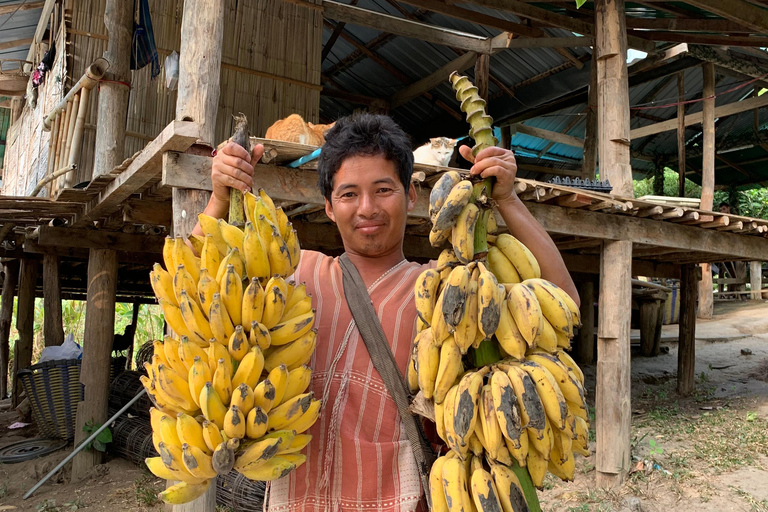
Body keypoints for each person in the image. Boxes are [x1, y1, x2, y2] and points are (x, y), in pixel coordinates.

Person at [200, 113, 578, 511]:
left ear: (411, 195)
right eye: (348, 195)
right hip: (297, 500)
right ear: (328, 207)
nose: (366, 208)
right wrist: (220, 198)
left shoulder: (443, 290)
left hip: (400, 499)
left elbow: (562, 302)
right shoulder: (293, 275)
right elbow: (192, 288)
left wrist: (508, 199)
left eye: (383, 190)